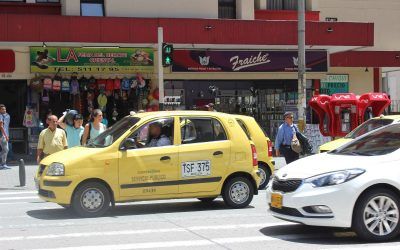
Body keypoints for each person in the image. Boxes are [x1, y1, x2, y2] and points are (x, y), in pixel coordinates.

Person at [0, 104, 10, 169]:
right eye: (3, 109)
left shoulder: (6, 116)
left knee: (5, 149)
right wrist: (5, 135)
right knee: (6, 149)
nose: (4, 110)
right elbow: (1, 127)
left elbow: (6, 126)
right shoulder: (0, 116)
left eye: (5, 109)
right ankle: (3, 164)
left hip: (5, 134)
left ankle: (3, 164)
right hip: (2, 135)